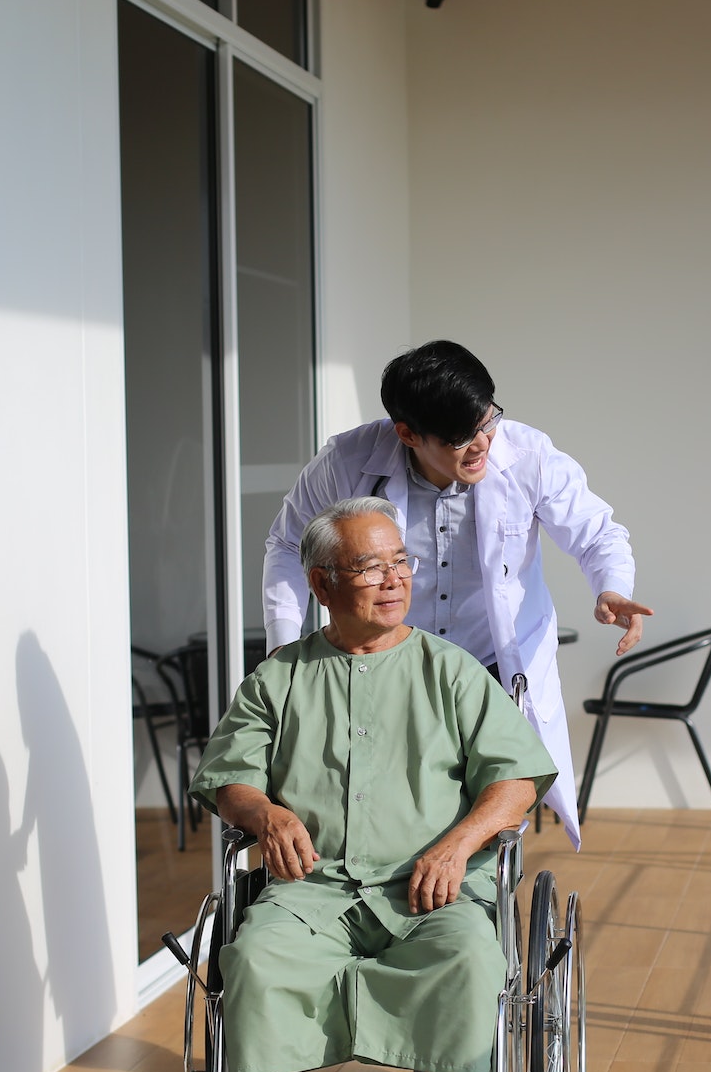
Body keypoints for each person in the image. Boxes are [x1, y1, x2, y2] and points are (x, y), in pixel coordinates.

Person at [190, 498, 557, 1072]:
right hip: (310, 889)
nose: (394, 579)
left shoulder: (448, 670)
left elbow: (515, 781)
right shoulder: (280, 677)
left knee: (473, 958)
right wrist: (263, 811)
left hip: (432, 889)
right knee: (254, 956)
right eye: (369, 566)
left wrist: (459, 843)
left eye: (401, 562)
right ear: (323, 585)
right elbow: (228, 776)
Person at [263, 340, 648, 843]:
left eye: (488, 421)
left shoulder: (528, 455)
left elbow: (598, 533)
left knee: (493, 812)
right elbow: (289, 544)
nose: (483, 442)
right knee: (395, 803)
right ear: (407, 434)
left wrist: (611, 588)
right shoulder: (347, 461)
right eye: (461, 437)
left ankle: (481, 911)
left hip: (492, 667)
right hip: (390, 666)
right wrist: (283, 645)